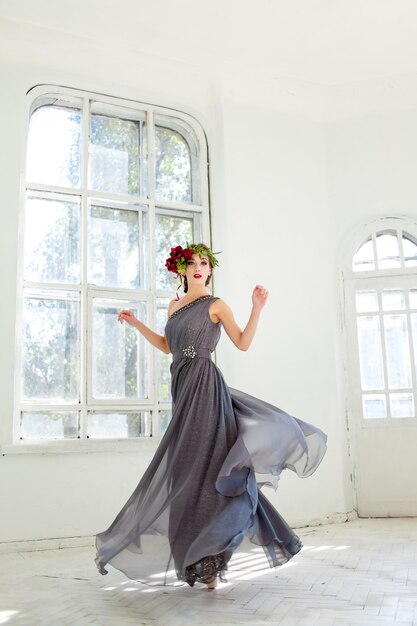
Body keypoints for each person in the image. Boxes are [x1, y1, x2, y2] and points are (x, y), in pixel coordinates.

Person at [95, 243, 327, 590]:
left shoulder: (215, 305)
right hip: (182, 388)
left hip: (205, 387)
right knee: (186, 470)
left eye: (205, 263)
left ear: (209, 270)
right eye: (193, 263)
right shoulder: (175, 305)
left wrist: (257, 308)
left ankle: (214, 561)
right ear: (182, 271)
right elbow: (166, 346)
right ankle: (200, 559)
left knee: (209, 468)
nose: (200, 268)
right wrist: (135, 322)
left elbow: (243, 342)